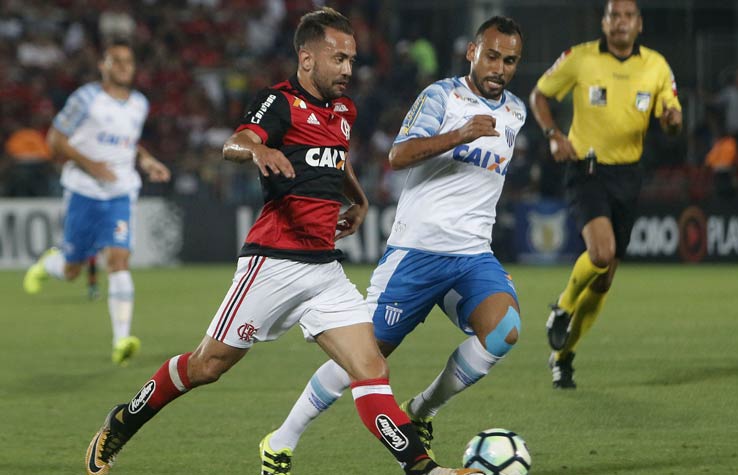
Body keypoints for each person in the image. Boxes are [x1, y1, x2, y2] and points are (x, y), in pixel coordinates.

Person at [82, 9, 478, 475]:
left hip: (324, 271)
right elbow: (236, 141)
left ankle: (422, 468)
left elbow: (336, 158)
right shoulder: (280, 103)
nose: (349, 69)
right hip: (272, 262)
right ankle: (122, 423)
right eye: (339, 59)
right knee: (207, 366)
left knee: (371, 370)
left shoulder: (343, 111)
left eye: (352, 59)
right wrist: (259, 148)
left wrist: (360, 199)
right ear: (307, 59)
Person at [261, 15, 526, 473]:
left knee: (504, 332)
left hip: (472, 254)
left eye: (510, 61)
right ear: (472, 52)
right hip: (416, 253)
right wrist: (459, 134)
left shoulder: (516, 112)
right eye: (492, 56)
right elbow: (399, 154)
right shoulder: (441, 97)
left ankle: (421, 411)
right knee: (362, 358)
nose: (499, 67)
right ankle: (281, 440)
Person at [529, 0, 683, 389]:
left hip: (629, 175)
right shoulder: (580, 59)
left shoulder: (656, 66)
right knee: (601, 252)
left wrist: (672, 121)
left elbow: (672, 121)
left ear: (639, 24)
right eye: (614, 16)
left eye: (628, 16)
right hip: (588, 169)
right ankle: (562, 307)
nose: (620, 23)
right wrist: (553, 135)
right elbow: (539, 96)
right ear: (604, 22)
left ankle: (563, 357)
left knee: (604, 281)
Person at [22, 39, 171, 365]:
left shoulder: (139, 104)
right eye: (115, 61)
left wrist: (147, 161)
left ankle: (122, 340)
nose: (122, 67)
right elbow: (55, 140)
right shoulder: (86, 98)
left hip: (120, 191)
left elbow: (129, 143)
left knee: (118, 259)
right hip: (83, 190)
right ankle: (50, 263)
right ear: (102, 65)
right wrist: (92, 166)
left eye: (128, 62)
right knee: (72, 268)